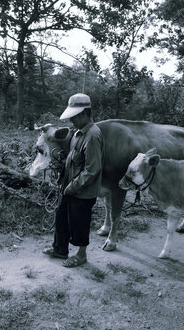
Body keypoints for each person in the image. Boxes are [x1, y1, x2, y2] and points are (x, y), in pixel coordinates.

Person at [42, 93, 104, 267]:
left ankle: (81, 255)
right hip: (69, 185)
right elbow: (73, 159)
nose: (71, 121)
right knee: (62, 216)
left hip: (83, 190)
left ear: (85, 113)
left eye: (74, 117)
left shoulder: (92, 135)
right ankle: (60, 249)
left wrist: (73, 186)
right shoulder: (77, 133)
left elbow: (92, 169)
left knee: (79, 222)